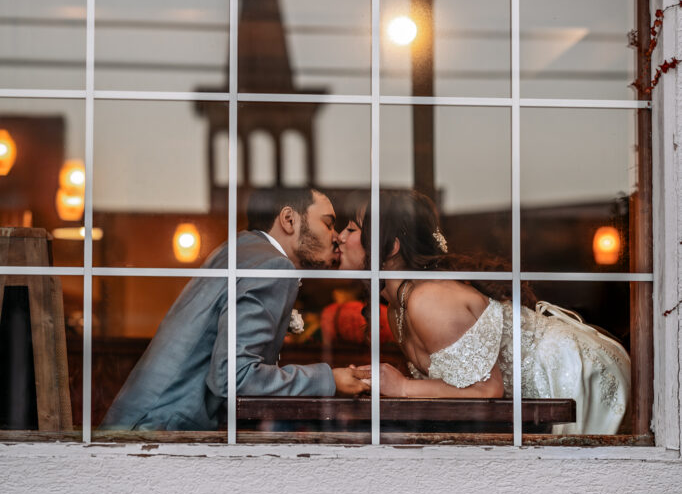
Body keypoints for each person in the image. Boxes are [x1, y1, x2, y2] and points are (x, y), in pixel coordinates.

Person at [337, 190, 630, 435]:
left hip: (573, 370)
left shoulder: (426, 299)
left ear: (390, 249)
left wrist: (401, 386)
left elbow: (487, 391)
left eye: (351, 229)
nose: (338, 236)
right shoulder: (397, 307)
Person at [101, 186, 369, 431]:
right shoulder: (273, 266)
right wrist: (328, 379)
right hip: (159, 431)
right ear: (289, 220)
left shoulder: (238, 250)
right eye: (328, 223)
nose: (336, 237)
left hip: (139, 422)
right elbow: (234, 377)